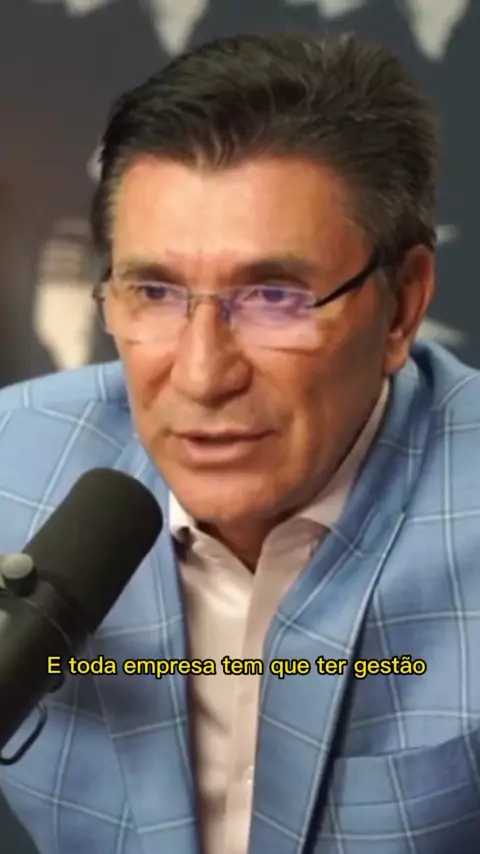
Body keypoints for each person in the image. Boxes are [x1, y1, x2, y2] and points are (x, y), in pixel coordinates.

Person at [0, 30, 479, 854]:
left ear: (402, 308)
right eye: (154, 291)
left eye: (274, 297)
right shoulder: (10, 462)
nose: (202, 375)